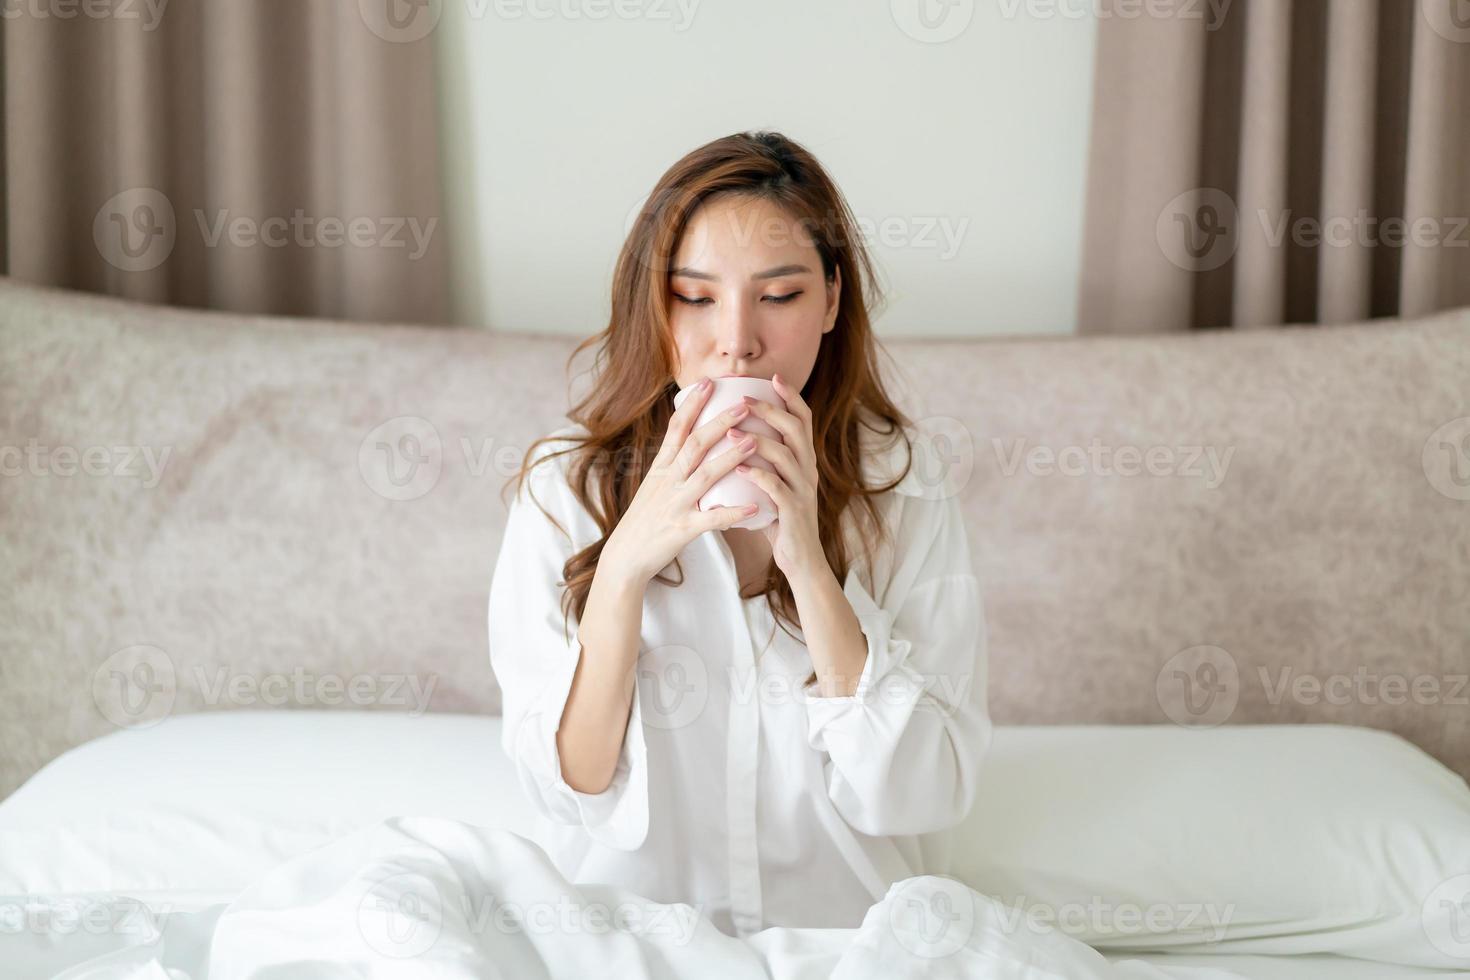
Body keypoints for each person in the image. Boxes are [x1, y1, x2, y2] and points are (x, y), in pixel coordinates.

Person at [488, 130, 991, 938]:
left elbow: (921, 793)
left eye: (780, 296)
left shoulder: (904, 484)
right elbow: (571, 785)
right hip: (630, 940)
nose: (737, 340)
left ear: (831, 299)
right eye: (695, 297)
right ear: (652, 307)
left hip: (848, 943)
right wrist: (622, 571)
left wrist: (809, 561)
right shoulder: (564, 491)